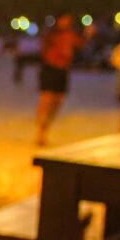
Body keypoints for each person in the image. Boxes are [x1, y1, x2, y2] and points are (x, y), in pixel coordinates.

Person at [35, 14, 84, 146]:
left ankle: (46, 127)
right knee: (46, 99)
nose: (66, 22)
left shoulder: (71, 34)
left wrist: (88, 34)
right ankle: (40, 131)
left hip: (62, 70)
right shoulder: (50, 35)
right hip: (50, 69)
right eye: (64, 19)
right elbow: (44, 52)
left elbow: (80, 44)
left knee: (58, 101)